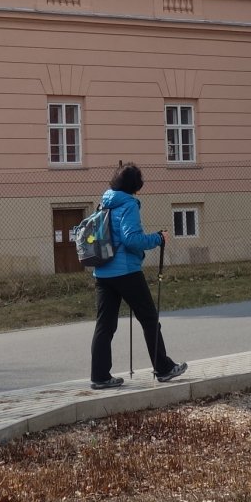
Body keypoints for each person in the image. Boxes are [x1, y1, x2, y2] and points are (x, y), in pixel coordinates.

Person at [88, 163, 187, 389]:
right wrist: (157, 238)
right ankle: (163, 368)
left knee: (105, 325)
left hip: (102, 271)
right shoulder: (129, 204)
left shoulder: (105, 202)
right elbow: (131, 239)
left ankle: (99, 376)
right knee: (149, 319)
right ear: (135, 185)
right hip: (126, 271)